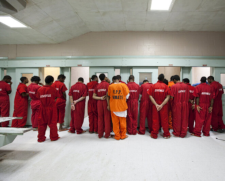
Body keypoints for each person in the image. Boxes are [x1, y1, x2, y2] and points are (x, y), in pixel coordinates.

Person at [36, 76, 60, 142]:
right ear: (52, 82)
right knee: (52, 123)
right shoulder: (53, 89)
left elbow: (38, 97)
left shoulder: (39, 89)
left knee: (41, 124)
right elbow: (56, 97)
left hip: (42, 108)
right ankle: (54, 137)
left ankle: (40, 138)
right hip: (51, 108)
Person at [148, 74, 171, 139]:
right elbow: (168, 97)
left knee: (155, 120)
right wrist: (161, 105)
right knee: (164, 120)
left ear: (158, 78)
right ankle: (166, 134)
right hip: (163, 106)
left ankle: (154, 134)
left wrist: (156, 104)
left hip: (155, 106)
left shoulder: (153, 86)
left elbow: (150, 96)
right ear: (163, 79)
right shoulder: (166, 86)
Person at [107, 76, 129, 140]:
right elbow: (127, 96)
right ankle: (123, 135)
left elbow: (109, 95)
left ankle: (117, 136)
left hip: (114, 107)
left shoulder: (110, 86)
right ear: (119, 79)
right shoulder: (124, 85)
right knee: (123, 122)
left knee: (115, 123)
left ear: (113, 80)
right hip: (122, 107)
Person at [93, 73, 111, 138]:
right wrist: (108, 105)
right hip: (106, 102)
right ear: (105, 78)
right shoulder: (108, 85)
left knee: (100, 118)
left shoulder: (97, 85)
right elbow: (108, 96)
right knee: (107, 118)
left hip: (99, 103)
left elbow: (93, 96)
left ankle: (100, 134)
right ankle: (107, 135)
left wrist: (100, 98)